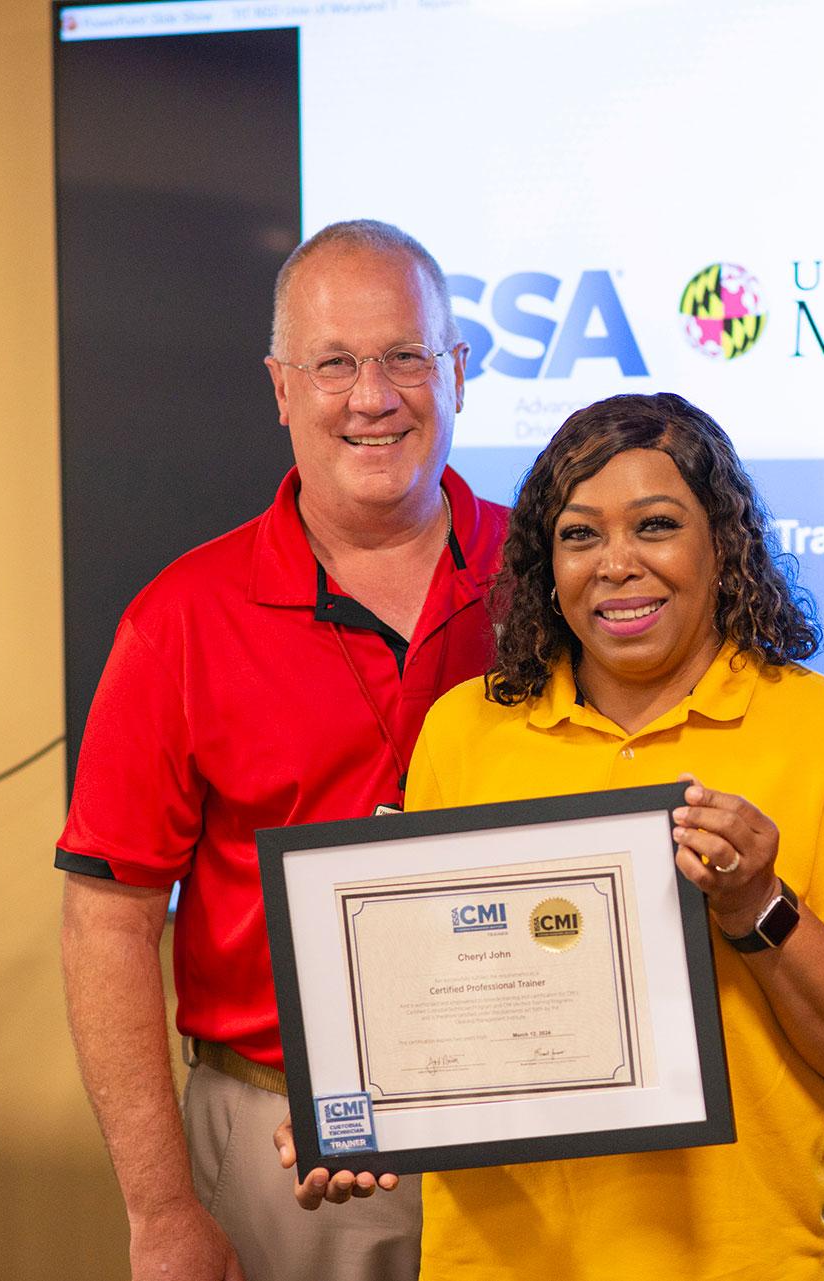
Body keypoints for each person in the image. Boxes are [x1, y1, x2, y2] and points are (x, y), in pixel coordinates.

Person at [276, 391, 824, 1279]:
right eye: (580, 535)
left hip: (743, 1261)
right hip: (491, 1263)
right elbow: (422, 1007)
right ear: (547, 564)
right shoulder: (463, 732)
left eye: (656, 525)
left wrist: (758, 905)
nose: (617, 564)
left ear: (721, 543)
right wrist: (355, 1110)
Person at [57, 219, 507, 1281]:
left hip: (532, 1123)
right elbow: (108, 922)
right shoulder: (180, 621)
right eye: (334, 363)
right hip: (278, 1148)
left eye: (406, 356)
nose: (372, 396)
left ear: (458, 370)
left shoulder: (555, 578)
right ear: (279, 388)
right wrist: (161, 1212)